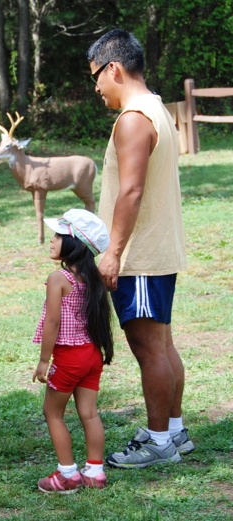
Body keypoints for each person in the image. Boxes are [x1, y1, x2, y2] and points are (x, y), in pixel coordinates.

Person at [87, 29, 195, 469]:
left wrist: (112, 252)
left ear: (113, 68)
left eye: (95, 76)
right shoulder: (157, 109)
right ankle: (174, 431)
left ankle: (158, 443)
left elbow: (130, 192)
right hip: (156, 249)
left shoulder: (133, 117)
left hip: (141, 256)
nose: (95, 87)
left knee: (148, 349)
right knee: (163, 346)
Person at [32, 209, 114, 494]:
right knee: (89, 414)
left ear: (75, 243)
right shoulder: (94, 278)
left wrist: (44, 361)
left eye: (58, 235)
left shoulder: (59, 278)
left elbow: (53, 322)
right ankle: (95, 472)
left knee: (53, 413)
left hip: (68, 357)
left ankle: (67, 474)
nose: (52, 240)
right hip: (92, 355)